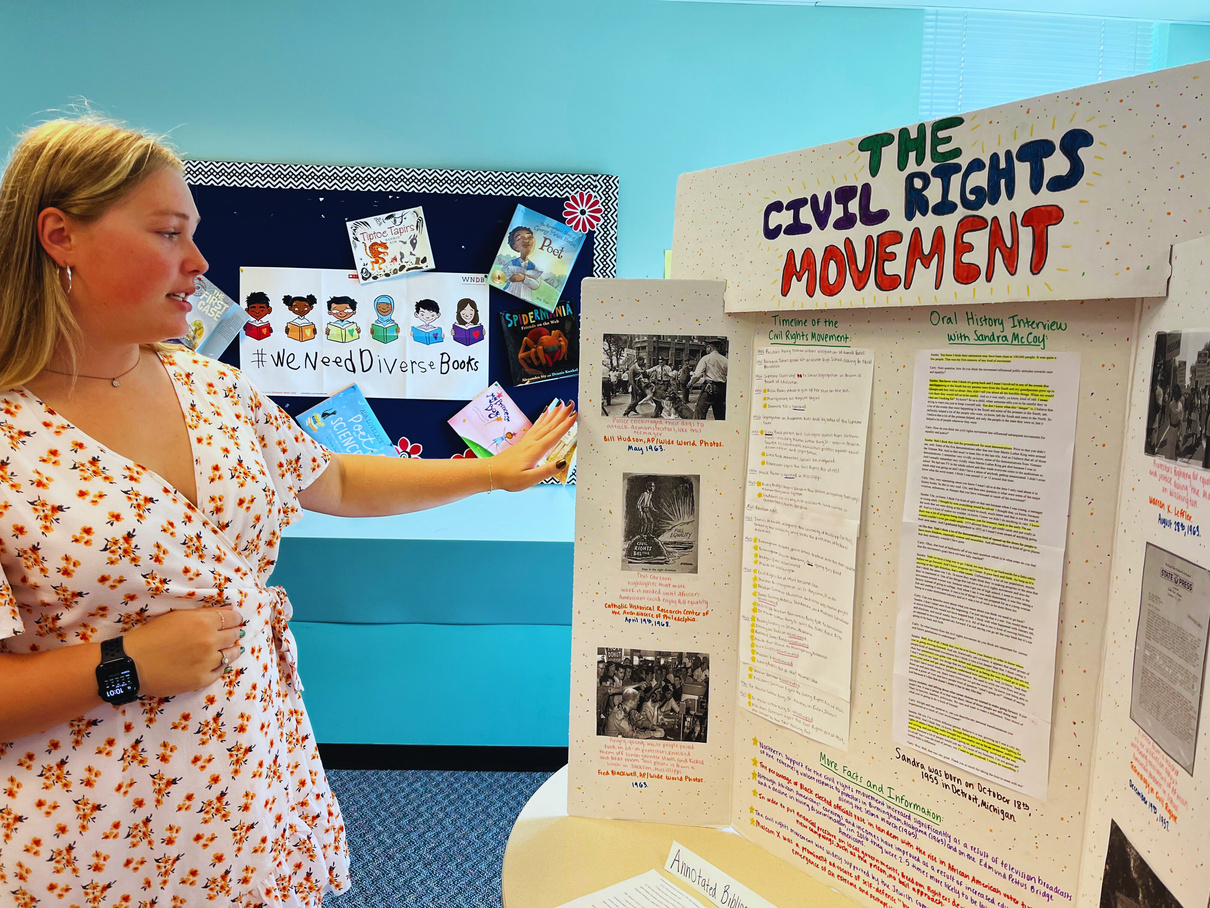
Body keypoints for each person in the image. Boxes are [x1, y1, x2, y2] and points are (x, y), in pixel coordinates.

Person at [0, 116, 577, 907]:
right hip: (89, 829)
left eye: (194, 235)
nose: (199, 264)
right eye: (169, 233)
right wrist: (121, 665)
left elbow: (331, 479)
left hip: (249, 783)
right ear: (60, 235)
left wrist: (489, 475)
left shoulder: (215, 389)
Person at [689, 339, 728, 420]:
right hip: (722, 389)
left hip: (709, 388)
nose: (706, 350)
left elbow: (697, 375)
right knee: (720, 414)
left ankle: (699, 430)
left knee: (699, 412)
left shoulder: (706, 358)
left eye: (706, 348)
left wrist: (690, 383)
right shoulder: (725, 360)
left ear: (710, 347)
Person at [501, 225, 542, 302]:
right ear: (514, 247)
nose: (526, 240)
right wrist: (510, 278)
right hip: (509, 294)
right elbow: (501, 277)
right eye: (519, 238)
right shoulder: (511, 264)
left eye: (529, 237)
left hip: (526, 298)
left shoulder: (533, 267)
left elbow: (536, 285)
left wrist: (524, 278)